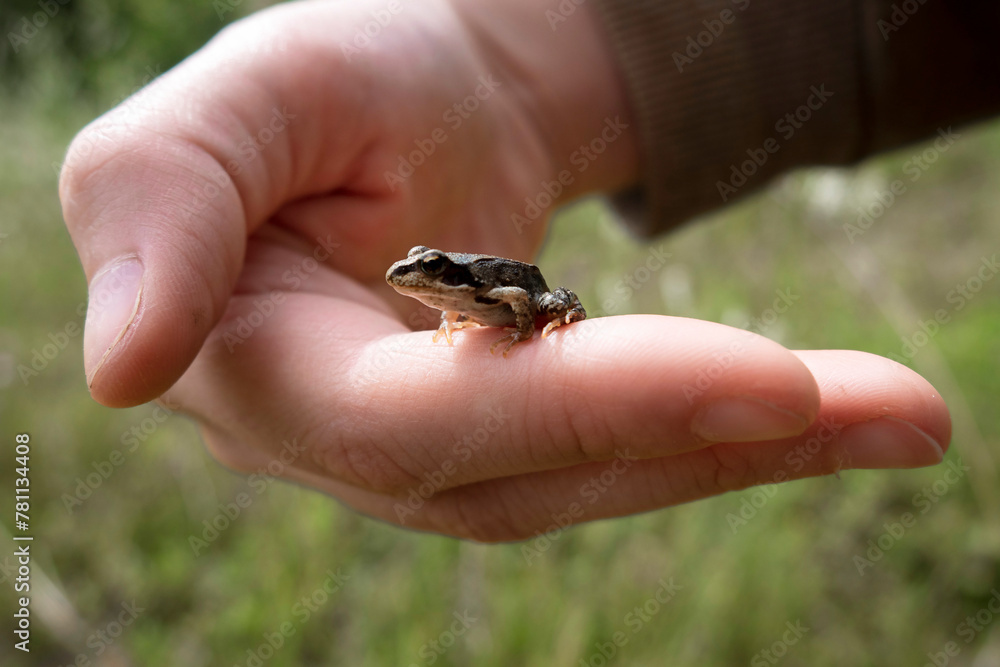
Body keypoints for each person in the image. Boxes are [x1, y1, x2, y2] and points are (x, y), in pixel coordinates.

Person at [61, 0, 995, 541]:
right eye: (420, 274)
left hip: (521, 286)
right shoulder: (446, 302)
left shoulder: (469, 290)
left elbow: (515, 294)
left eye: (424, 272)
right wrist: (500, 59)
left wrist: (498, 318)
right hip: (491, 287)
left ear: (441, 274)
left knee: (550, 304)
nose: (416, 279)